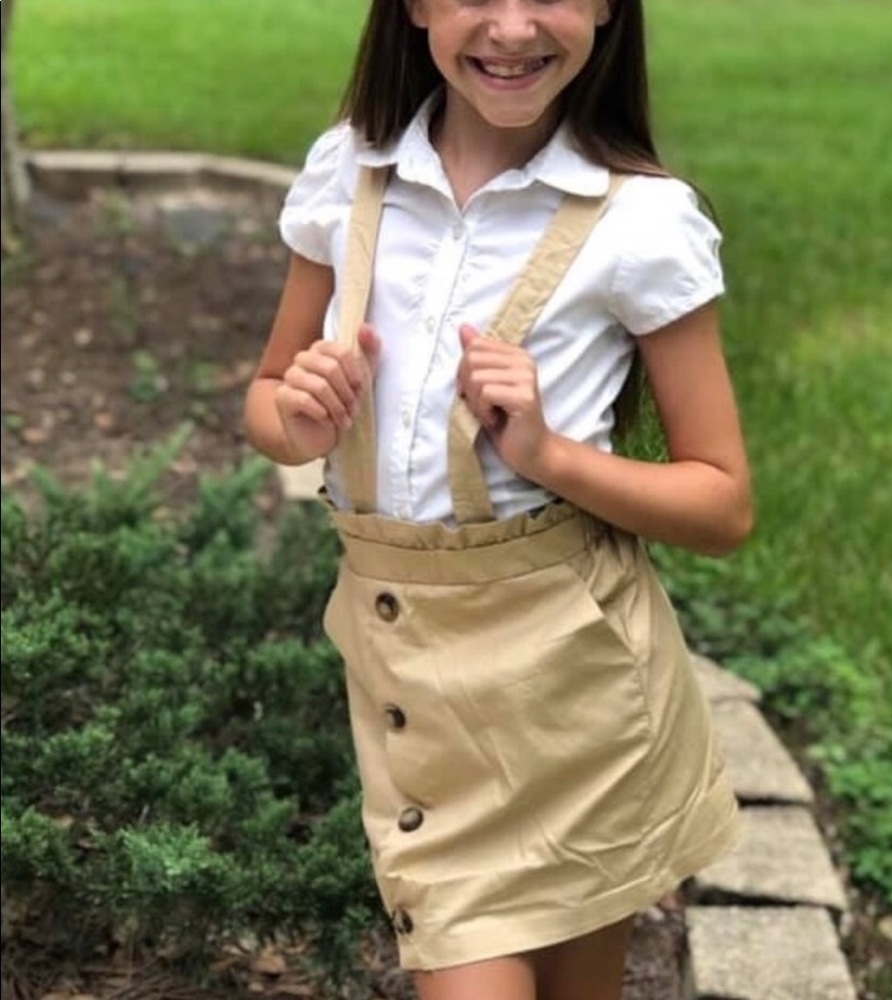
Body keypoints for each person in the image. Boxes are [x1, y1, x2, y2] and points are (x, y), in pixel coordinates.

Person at [244, 1, 753, 997]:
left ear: (606, 7)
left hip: (574, 692)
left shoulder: (639, 220)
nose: (512, 28)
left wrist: (549, 452)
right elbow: (266, 399)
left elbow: (722, 504)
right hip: (409, 672)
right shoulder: (349, 172)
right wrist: (297, 421)